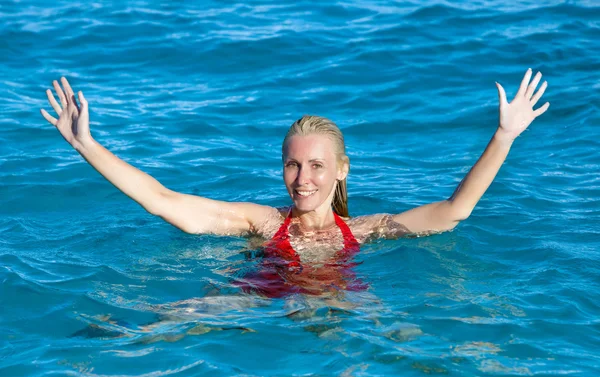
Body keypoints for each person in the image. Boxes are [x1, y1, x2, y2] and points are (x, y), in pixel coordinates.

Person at [41, 70, 549, 294]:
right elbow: (161, 200)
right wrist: (85, 143)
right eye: (292, 164)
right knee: (171, 319)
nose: (302, 179)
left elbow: (455, 211)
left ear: (342, 170)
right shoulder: (262, 223)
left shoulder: (369, 230)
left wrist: (504, 135)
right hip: (261, 300)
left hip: (343, 309)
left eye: (317, 166)